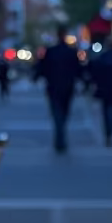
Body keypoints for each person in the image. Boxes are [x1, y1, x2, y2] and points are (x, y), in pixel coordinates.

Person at [35, 25, 80, 153]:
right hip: (67, 87)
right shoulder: (71, 52)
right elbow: (78, 70)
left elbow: (42, 68)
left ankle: (60, 136)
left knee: (57, 112)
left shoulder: (51, 52)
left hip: (54, 87)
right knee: (64, 112)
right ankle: (60, 136)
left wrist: (38, 76)